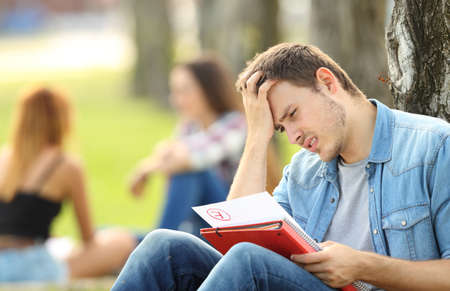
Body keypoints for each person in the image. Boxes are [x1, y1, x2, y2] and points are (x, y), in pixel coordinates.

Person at [111, 43, 450, 291]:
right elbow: (235, 239)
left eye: (291, 115)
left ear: (328, 83)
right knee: (164, 246)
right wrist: (258, 136)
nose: (293, 137)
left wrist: (363, 266)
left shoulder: (433, 147)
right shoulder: (305, 170)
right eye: (280, 129)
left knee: (248, 260)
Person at [129, 55, 281, 235]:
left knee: (192, 171)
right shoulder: (189, 128)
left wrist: (146, 168)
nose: (177, 100)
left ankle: (158, 238)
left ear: (208, 89)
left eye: (185, 91)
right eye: (175, 91)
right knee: (110, 238)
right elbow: (172, 155)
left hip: (235, 220)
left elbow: (193, 158)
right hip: (199, 223)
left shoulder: (236, 123)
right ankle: (162, 238)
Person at [0, 87, 136, 282]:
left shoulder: (4, 158)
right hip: (30, 266)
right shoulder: (66, 165)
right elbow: (88, 237)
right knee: (122, 241)